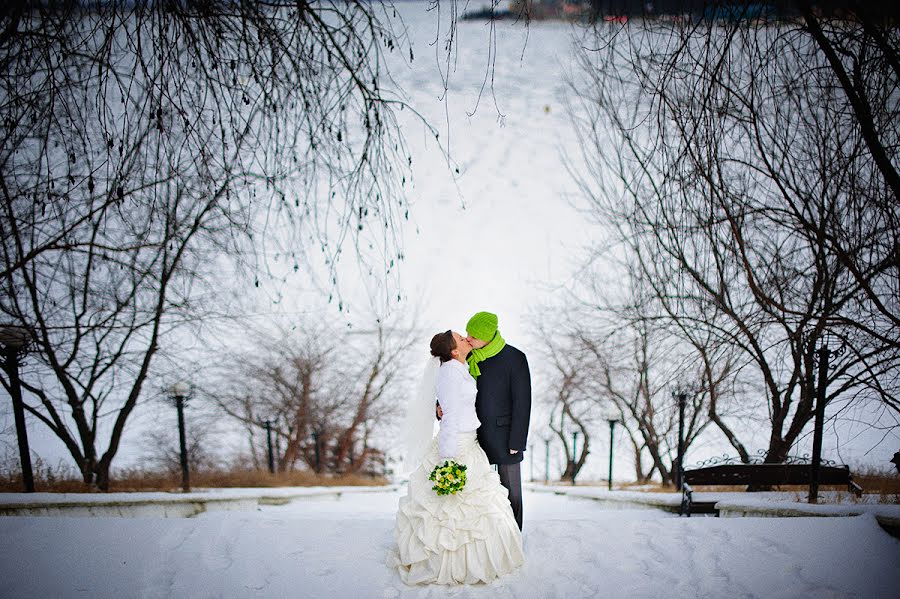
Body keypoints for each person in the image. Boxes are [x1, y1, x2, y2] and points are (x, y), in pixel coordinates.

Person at [389, 330, 524, 585]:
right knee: (453, 509)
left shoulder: (459, 367)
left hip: (469, 440)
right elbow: (449, 418)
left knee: (473, 504)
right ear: (453, 351)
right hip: (457, 445)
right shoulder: (450, 372)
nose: (466, 339)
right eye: (461, 339)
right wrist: (449, 459)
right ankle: (450, 562)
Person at [464, 311, 531, 531]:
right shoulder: (468, 358)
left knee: (512, 494)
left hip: (505, 438)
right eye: (467, 333)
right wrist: (440, 407)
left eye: (473, 335)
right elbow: (456, 387)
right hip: (472, 437)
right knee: (476, 493)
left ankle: (514, 538)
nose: (468, 338)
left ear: (487, 336)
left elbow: (522, 402)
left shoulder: (515, 358)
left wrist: (517, 442)